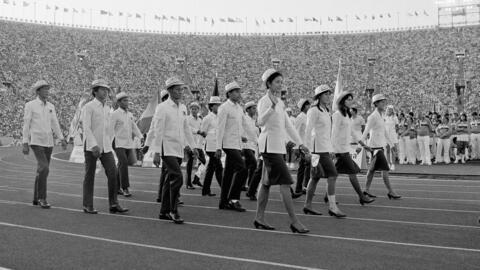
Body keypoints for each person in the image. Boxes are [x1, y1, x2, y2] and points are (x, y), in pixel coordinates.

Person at [254, 68, 310, 233]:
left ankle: (259, 218)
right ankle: (294, 221)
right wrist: (270, 108)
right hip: (268, 147)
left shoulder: (280, 103)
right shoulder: (264, 101)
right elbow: (260, 122)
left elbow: (288, 126)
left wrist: (300, 144)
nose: (280, 84)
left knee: (265, 184)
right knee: (285, 182)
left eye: (281, 81)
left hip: (276, 147)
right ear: (269, 83)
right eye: (277, 81)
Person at [151, 77, 197, 224]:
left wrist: (193, 146)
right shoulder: (162, 107)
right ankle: (173, 210)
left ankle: (163, 212)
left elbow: (186, 129)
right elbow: (158, 130)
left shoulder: (183, 108)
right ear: (170, 91)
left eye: (181, 89)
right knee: (178, 177)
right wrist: (157, 152)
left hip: (178, 148)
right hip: (166, 148)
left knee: (169, 180)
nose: (180, 92)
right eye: (177, 89)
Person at [82, 79, 128, 214]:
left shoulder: (107, 108)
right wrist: (94, 145)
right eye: (102, 89)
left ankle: (114, 203)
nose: (105, 92)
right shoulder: (88, 107)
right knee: (89, 175)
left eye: (106, 89)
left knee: (113, 173)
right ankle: (87, 204)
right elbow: (87, 128)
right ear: (95, 91)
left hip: (106, 146)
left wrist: (109, 142)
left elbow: (109, 129)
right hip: (92, 146)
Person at [22, 80, 67, 209]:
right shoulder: (30, 105)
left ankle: (36, 198)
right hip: (36, 141)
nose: (47, 91)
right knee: (44, 168)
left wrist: (61, 138)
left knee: (41, 170)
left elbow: (55, 123)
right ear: (38, 91)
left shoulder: (51, 106)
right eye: (44, 89)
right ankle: (42, 198)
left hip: (48, 142)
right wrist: (25, 142)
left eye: (48, 88)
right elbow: (26, 124)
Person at [304, 85, 345, 218]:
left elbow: (326, 133)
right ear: (319, 96)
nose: (328, 96)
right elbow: (308, 131)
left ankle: (308, 205)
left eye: (329, 94)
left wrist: (330, 149)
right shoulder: (313, 111)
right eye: (325, 94)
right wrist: (307, 151)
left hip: (324, 149)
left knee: (315, 178)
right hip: (316, 151)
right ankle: (332, 207)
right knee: (332, 174)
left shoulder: (326, 111)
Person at [216, 81, 256, 212]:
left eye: (239, 91)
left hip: (237, 144)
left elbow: (246, 126)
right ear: (229, 93)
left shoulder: (239, 108)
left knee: (228, 174)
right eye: (236, 91)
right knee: (242, 168)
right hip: (228, 144)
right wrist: (218, 147)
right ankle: (233, 199)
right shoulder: (224, 108)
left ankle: (223, 202)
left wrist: (257, 141)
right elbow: (220, 128)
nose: (239, 94)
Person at [331, 91, 375, 205]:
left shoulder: (346, 115)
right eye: (348, 99)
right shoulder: (337, 115)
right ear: (342, 101)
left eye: (351, 99)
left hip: (345, 148)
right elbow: (334, 133)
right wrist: (333, 149)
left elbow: (352, 132)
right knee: (352, 172)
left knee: (334, 174)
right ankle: (361, 196)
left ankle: (328, 196)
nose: (351, 101)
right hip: (340, 150)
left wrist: (363, 144)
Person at [362, 94, 401, 200]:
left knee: (372, 170)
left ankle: (366, 190)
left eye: (384, 102)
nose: (384, 104)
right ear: (376, 104)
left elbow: (384, 132)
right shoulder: (372, 117)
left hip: (380, 146)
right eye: (382, 102)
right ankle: (391, 191)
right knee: (384, 169)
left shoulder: (382, 116)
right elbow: (366, 131)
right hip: (375, 148)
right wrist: (361, 144)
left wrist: (392, 145)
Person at [111, 92, 142, 197]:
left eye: (127, 100)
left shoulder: (130, 114)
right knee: (123, 163)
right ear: (119, 102)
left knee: (120, 164)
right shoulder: (115, 114)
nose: (127, 102)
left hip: (128, 143)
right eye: (124, 101)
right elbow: (109, 130)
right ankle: (125, 188)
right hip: (118, 143)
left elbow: (134, 127)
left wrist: (141, 137)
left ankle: (116, 187)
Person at [144, 89, 169, 202]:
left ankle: (162, 195)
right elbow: (153, 129)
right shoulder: (160, 110)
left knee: (166, 171)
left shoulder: (178, 109)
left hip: (174, 147)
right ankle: (167, 196)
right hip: (164, 145)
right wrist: (147, 145)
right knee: (170, 172)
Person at [199, 96, 223, 196]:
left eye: (219, 105)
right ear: (211, 107)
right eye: (217, 105)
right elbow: (202, 132)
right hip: (210, 146)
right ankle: (225, 188)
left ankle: (205, 190)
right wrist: (199, 146)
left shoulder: (220, 117)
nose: (219, 107)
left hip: (217, 146)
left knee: (211, 169)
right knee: (219, 168)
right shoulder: (207, 118)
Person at [185, 102, 206, 189]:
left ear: (198, 110)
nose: (194, 110)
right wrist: (198, 131)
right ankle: (188, 183)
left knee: (204, 162)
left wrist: (203, 133)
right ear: (190, 110)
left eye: (196, 109)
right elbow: (187, 129)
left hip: (199, 145)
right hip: (190, 144)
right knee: (190, 163)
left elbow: (202, 130)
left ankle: (196, 178)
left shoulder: (200, 120)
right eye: (192, 109)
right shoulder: (187, 119)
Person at [242, 101, 259, 200]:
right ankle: (250, 188)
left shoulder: (253, 120)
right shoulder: (245, 118)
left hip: (252, 146)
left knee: (246, 167)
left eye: (255, 108)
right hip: (245, 145)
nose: (255, 110)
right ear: (247, 110)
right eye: (253, 108)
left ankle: (243, 185)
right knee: (254, 165)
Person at [294, 98, 310, 195]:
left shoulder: (308, 116)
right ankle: (299, 187)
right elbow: (296, 132)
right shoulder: (300, 117)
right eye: (307, 105)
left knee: (306, 167)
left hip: (308, 146)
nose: (309, 107)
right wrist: (296, 147)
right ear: (304, 107)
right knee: (304, 167)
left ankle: (303, 186)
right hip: (302, 145)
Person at [384, 105, 399, 169]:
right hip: (386, 135)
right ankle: (388, 163)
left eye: (390, 109)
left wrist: (394, 132)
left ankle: (393, 164)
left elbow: (397, 127)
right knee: (387, 150)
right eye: (388, 109)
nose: (389, 110)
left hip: (392, 135)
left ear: (392, 110)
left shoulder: (395, 118)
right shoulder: (384, 117)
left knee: (393, 150)